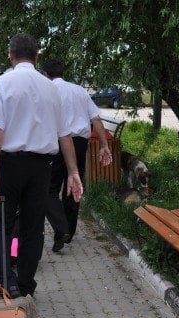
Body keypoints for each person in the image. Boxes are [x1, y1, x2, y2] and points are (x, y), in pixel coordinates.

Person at [0, 33, 83, 298]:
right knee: (32, 227)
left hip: (9, 166)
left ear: (11, 56)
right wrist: (73, 172)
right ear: (37, 58)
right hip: (42, 168)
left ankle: (6, 282)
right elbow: (64, 135)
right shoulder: (51, 88)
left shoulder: (1, 84)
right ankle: (26, 284)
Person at [41, 59, 112, 253]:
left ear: (46, 74)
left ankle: (60, 227)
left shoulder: (46, 90)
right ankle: (68, 232)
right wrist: (104, 145)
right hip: (80, 143)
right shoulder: (79, 91)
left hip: (56, 143)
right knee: (74, 185)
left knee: (49, 188)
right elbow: (95, 118)